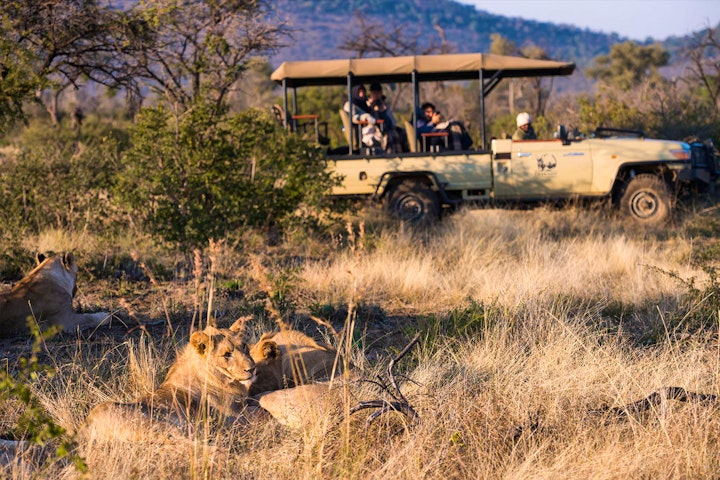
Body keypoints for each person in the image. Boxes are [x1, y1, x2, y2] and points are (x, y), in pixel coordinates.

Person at [367, 83, 407, 153]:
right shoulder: (367, 106)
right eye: (374, 93)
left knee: (401, 133)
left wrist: (383, 110)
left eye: (378, 93)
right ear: (370, 94)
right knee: (389, 136)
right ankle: (388, 155)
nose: (376, 95)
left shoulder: (384, 106)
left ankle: (402, 153)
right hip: (374, 129)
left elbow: (392, 122)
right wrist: (373, 108)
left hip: (387, 127)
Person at [343, 84, 382, 149]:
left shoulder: (364, 103)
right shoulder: (349, 105)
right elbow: (354, 118)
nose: (362, 95)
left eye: (363, 92)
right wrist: (366, 117)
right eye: (359, 92)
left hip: (367, 128)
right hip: (358, 130)